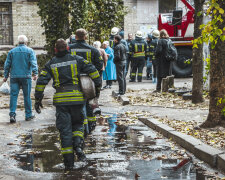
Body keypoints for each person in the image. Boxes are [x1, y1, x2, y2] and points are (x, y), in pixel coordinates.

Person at [34, 39, 101, 170]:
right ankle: (78, 145)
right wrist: (97, 87)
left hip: (62, 102)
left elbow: (41, 81)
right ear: (68, 48)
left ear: (55, 50)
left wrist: (38, 99)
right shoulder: (77, 59)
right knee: (78, 125)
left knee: (65, 132)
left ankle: (68, 163)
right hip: (77, 100)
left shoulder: (51, 63)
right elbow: (94, 71)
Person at [69, 29, 103, 133]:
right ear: (86, 37)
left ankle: (79, 126)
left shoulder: (69, 49)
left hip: (74, 80)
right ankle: (91, 123)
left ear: (76, 36)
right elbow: (99, 65)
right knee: (89, 102)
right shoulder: (93, 50)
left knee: (76, 103)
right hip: (89, 80)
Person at [3, 35, 38, 123]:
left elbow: (7, 65)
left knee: (13, 96)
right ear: (26, 42)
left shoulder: (12, 51)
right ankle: (28, 115)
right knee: (27, 96)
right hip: (26, 77)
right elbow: (33, 62)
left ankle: (12, 115)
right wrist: (35, 73)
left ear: (18, 42)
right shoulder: (30, 51)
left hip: (14, 77)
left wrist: (6, 76)